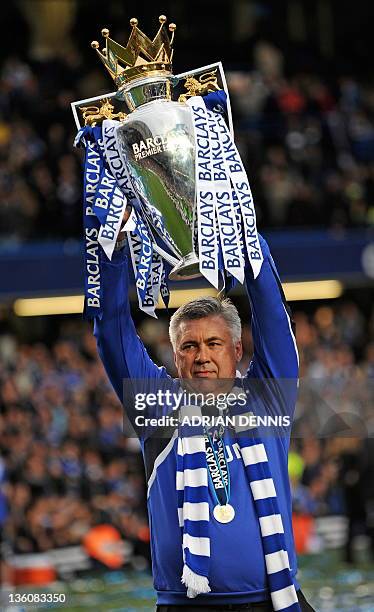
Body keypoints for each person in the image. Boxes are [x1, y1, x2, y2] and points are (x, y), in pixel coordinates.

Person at [94, 214, 315, 611]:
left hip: (273, 602)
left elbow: (273, 314)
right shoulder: (156, 405)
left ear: (236, 351)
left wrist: (243, 228)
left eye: (214, 343)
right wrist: (113, 248)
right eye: (190, 347)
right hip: (186, 605)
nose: (202, 357)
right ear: (175, 358)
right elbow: (111, 328)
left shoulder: (268, 398)